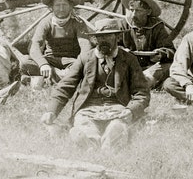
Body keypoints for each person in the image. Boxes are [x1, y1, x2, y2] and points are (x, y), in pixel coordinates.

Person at [40, 18, 150, 150]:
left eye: (108, 36)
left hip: (117, 108)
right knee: (84, 125)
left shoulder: (128, 59)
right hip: (88, 109)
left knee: (117, 126)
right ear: (95, 39)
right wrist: (52, 111)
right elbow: (65, 86)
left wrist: (131, 110)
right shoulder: (85, 58)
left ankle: (109, 144)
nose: (103, 40)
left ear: (118, 37)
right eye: (99, 37)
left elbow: (142, 92)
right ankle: (89, 141)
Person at [22, 0, 88, 84]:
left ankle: (48, 78)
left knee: (87, 66)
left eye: (64, 5)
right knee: (24, 62)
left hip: (71, 61)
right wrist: (43, 64)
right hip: (51, 60)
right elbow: (34, 46)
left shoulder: (78, 23)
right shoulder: (46, 22)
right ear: (51, 7)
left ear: (70, 7)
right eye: (57, 5)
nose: (61, 9)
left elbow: (85, 46)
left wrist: (80, 63)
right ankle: (65, 77)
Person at [117, 0, 175, 89]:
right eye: (131, 10)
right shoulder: (123, 25)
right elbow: (114, 46)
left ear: (148, 12)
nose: (133, 15)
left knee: (168, 67)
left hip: (151, 67)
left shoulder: (157, 26)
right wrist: (122, 51)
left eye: (138, 11)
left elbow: (171, 50)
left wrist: (160, 54)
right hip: (129, 67)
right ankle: (143, 83)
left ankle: (139, 83)